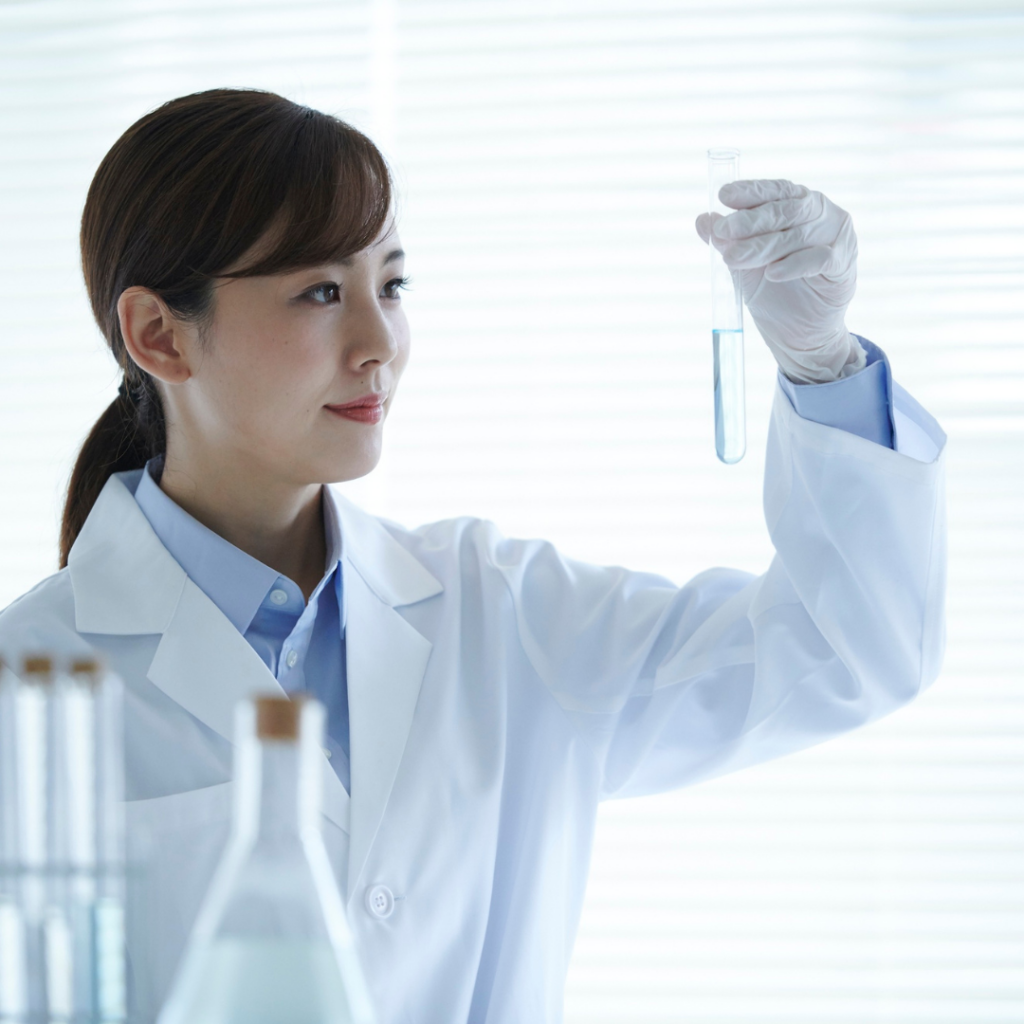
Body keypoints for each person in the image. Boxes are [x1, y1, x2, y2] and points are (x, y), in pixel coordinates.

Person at [0, 88, 947, 1024]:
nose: (381, 345)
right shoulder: (25, 682)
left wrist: (824, 365)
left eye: (393, 285)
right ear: (159, 334)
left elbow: (847, 647)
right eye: (322, 292)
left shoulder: (504, 614)